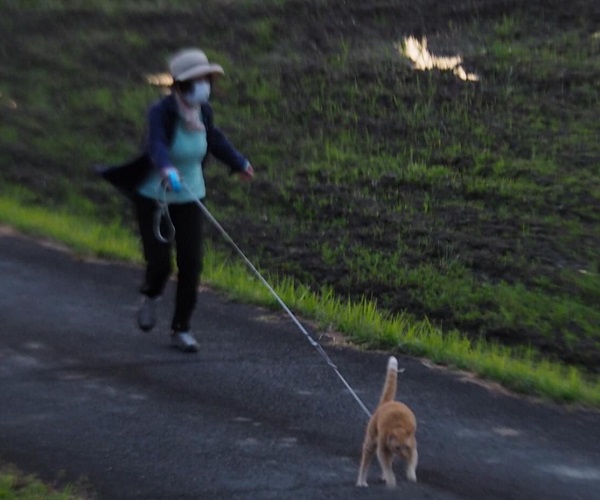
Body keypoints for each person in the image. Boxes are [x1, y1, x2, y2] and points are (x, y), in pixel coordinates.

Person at [98, 48, 254, 352]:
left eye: (207, 79)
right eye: (198, 80)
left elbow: (215, 139)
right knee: (159, 264)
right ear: (181, 84)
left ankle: (181, 328)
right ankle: (152, 294)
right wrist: (166, 167)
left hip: (191, 195)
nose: (204, 86)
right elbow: (156, 143)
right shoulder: (161, 112)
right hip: (154, 196)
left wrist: (239, 163)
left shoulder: (204, 112)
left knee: (191, 264)